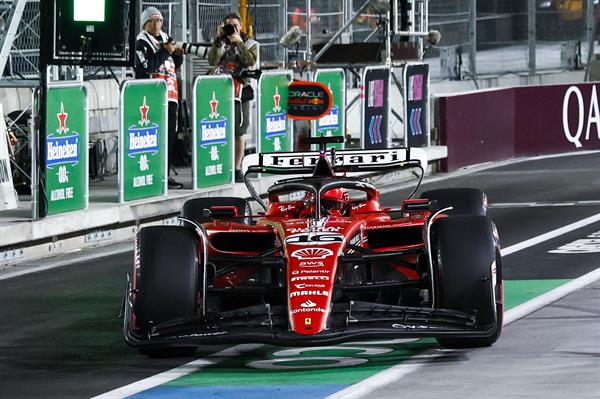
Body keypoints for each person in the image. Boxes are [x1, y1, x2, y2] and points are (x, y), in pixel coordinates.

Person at [134, 7, 184, 189]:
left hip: (170, 96)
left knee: (169, 137)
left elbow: (172, 65)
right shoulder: (141, 43)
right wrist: (165, 52)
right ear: (145, 24)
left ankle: (164, 175)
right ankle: (152, 175)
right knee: (154, 137)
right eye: (152, 21)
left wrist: (177, 55)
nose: (156, 25)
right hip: (152, 98)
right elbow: (147, 67)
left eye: (159, 21)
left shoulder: (165, 38)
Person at [208, 12, 258, 183]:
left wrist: (240, 43)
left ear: (241, 26)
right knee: (221, 130)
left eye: (235, 26)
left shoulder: (250, 43)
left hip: (241, 90)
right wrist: (217, 40)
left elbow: (250, 62)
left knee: (240, 130)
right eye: (228, 26)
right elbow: (211, 60)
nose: (231, 29)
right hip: (221, 90)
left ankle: (237, 169)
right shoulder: (221, 42)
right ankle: (221, 165)